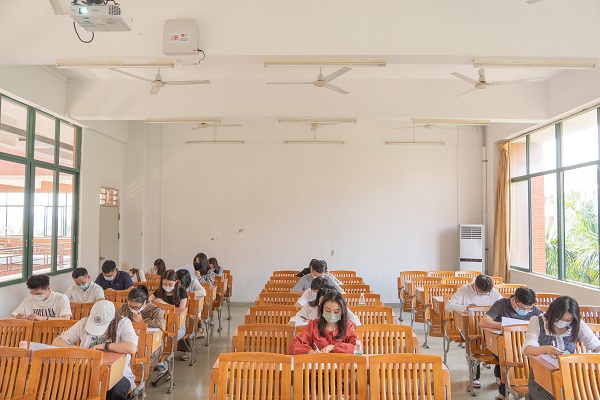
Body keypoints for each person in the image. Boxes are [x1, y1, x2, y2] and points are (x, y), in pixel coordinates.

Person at [52, 300, 137, 400]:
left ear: (113, 319)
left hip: (118, 374)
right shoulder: (84, 323)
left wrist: (105, 346)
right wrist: (75, 349)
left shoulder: (123, 323)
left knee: (114, 392)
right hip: (85, 371)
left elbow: (131, 348)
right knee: (63, 387)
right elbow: (57, 341)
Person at [523, 296, 600, 400]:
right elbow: (528, 349)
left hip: (570, 376)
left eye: (568, 320)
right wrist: (545, 349)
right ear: (552, 314)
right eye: (560, 318)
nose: (563, 322)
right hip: (542, 378)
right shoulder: (537, 321)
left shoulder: (577, 323)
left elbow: (595, 344)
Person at [480, 287, 543, 400]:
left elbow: (544, 324)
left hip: (523, 344)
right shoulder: (501, 304)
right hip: (504, 344)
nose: (526, 311)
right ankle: (503, 393)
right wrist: (507, 326)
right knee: (507, 354)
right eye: (522, 308)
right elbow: (483, 322)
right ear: (514, 300)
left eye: (529, 309)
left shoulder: (533, 309)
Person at [445, 274, 503, 388]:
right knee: (473, 342)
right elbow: (449, 306)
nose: (483, 294)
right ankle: (475, 376)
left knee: (500, 342)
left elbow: (502, 304)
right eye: (480, 292)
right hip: (469, 325)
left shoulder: (493, 292)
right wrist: (466, 307)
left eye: (486, 293)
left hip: (487, 327)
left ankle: (499, 375)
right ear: (474, 285)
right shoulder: (464, 289)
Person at [119, 286, 168, 386]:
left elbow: (161, 325)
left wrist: (142, 321)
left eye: (136, 307)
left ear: (145, 303)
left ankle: (141, 385)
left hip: (151, 344)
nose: (132, 309)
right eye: (130, 306)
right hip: (130, 341)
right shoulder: (125, 308)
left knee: (145, 359)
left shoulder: (156, 310)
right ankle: (125, 382)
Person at [289, 290, 358, 355]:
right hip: (318, 363)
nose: (331, 314)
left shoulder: (348, 326)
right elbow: (294, 346)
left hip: (342, 363)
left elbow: (358, 349)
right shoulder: (313, 325)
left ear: (342, 311)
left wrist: (334, 347)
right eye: (328, 311)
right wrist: (309, 352)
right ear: (322, 310)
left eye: (336, 312)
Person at [149, 269, 190, 360]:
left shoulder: (182, 292)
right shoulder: (159, 291)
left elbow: (181, 311)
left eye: (170, 284)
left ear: (176, 282)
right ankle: (159, 358)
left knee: (168, 338)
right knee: (155, 337)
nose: (167, 287)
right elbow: (147, 303)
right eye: (165, 284)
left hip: (177, 325)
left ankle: (166, 356)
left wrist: (165, 304)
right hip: (161, 323)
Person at [290, 285, 361, 327]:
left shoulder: (339, 306)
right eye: (322, 302)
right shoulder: (310, 306)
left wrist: (339, 323)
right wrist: (311, 325)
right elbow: (293, 321)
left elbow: (356, 322)